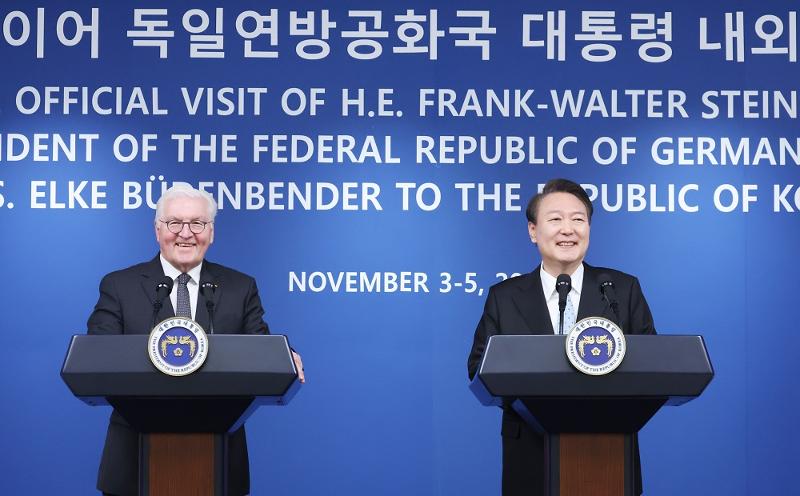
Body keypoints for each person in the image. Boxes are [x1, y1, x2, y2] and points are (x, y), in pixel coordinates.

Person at [87, 184, 304, 496]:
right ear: (157, 229)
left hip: (219, 460)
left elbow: (261, 347)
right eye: (175, 223)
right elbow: (99, 354)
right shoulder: (119, 285)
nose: (185, 233)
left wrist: (286, 356)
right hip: (133, 460)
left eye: (197, 224)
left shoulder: (240, 287)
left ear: (211, 232)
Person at [468, 178, 656, 496]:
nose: (567, 229)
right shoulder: (505, 296)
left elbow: (653, 365)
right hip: (529, 455)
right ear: (533, 230)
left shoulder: (621, 290)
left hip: (609, 454)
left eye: (578, 219)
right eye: (555, 219)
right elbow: (478, 368)